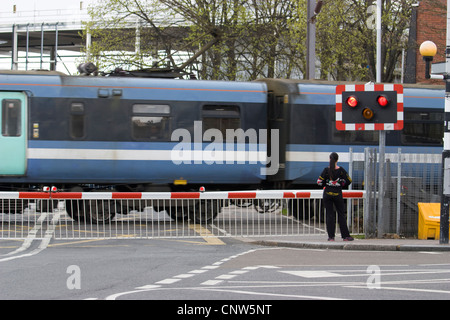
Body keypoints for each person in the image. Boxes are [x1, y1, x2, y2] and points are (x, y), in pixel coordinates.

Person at [317, 152, 354, 242]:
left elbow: (318, 182)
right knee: (341, 215)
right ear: (337, 160)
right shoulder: (341, 170)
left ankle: (331, 237)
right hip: (338, 195)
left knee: (329, 215)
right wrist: (341, 183)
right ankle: (345, 236)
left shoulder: (326, 170)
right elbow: (349, 180)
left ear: (330, 159)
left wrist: (326, 183)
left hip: (327, 195)